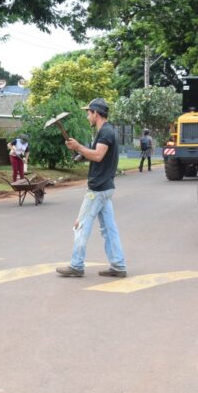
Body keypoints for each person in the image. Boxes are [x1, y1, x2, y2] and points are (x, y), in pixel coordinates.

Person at [56, 98, 127, 278]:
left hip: (98, 190)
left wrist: (79, 147)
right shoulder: (106, 131)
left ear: (96, 113)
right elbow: (97, 155)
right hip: (106, 188)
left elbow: (98, 155)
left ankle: (76, 265)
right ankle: (118, 265)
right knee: (109, 229)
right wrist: (81, 152)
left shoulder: (105, 132)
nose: (87, 116)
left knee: (81, 226)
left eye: (88, 112)